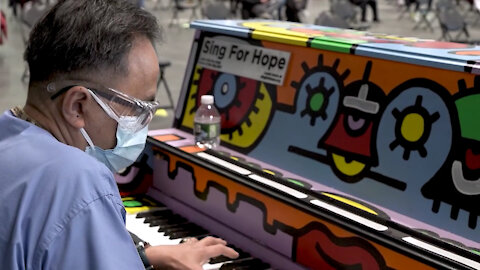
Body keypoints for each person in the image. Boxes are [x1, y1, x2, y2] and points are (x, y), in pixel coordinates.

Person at [0, 0, 238, 269]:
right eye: (138, 109)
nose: (143, 125)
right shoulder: (77, 182)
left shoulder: (8, 133)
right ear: (78, 105)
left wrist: (141, 255)